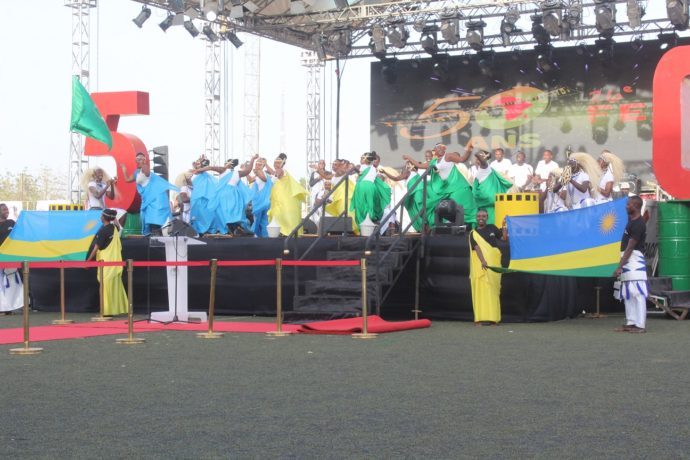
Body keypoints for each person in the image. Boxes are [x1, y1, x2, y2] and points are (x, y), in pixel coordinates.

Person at [404, 143, 476, 227]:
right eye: (439, 148)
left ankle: (472, 225)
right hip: (445, 188)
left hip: (457, 186)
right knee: (431, 203)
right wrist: (408, 157)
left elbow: (462, 159)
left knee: (464, 208)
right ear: (435, 151)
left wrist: (469, 150)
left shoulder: (448, 156)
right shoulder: (433, 161)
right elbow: (419, 165)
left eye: (443, 148)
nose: (441, 149)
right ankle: (441, 223)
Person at [121, 152, 178, 235]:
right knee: (149, 221)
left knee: (154, 221)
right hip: (147, 199)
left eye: (140, 159)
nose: (138, 161)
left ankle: (158, 237)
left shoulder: (144, 167)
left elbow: (147, 173)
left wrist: (144, 164)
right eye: (137, 159)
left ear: (144, 160)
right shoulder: (136, 172)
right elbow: (127, 179)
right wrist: (123, 168)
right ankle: (154, 237)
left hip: (155, 199)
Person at [613, 196, 648, 333]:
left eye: (629, 204)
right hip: (627, 260)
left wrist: (620, 266)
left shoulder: (638, 224)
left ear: (636, 206)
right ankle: (631, 322)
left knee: (637, 292)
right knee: (628, 292)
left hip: (634, 260)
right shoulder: (633, 221)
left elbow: (630, 247)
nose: (626, 206)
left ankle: (640, 325)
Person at [198, 156, 256, 236]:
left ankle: (227, 229)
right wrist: (253, 159)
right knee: (234, 213)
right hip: (234, 195)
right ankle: (236, 228)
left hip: (223, 195)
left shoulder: (223, 169)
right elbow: (248, 170)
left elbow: (210, 167)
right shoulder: (237, 173)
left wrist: (198, 170)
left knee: (222, 212)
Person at [86, 209, 128, 316]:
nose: (100, 217)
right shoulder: (114, 228)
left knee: (105, 287)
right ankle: (114, 310)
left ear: (104, 218)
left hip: (106, 263)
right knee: (114, 287)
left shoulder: (103, 231)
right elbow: (118, 224)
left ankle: (105, 311)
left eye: (101, 215)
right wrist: (114, 217)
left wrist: (88, 260)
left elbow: (96, 248)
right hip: (115, 263)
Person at [469, 208, 506, 325]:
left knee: (493, 290)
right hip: (481, 264)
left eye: (483, 216)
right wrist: (483, 261)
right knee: (480, 290)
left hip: (494, 262)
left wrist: (504, 226)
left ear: (487, 217)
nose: (481, 218)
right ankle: (479, 319)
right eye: (479, 216)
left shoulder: (492, 228)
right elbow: (477, 248)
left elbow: (504, 238)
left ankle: (493, 318)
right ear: (476, 218)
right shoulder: (473, 233)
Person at [268, 154, 308, 236]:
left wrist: (266, 165)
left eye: (278, 162)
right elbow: (274, 174)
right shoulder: (276, 173)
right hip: (278, 200)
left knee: (284, 217)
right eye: (275, 162)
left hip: (284, 201)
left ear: (282, 163)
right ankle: (282, 233)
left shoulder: (282, 171)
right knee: (278, 216)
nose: (276, 164)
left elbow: (277, 174)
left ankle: (287, 233)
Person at [471, 149, 513, 225]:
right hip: (482, 207)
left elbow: (480, 157)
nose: (477, 160)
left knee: (491, 227)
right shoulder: (479, 170)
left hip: (489, 208)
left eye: (479, 158)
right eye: (477, 159)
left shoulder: (485, 169)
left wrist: (478, 153)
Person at [350, 151, 391, 226]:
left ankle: (360, 224)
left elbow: (353, 172)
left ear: (365, 159)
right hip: (371, 187)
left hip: (361, 187)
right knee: (370, 205)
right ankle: (371, 221)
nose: (360, 159)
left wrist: (355, 169)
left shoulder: (359, 166)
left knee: (360, 205)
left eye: (361, 158)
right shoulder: (373, 168)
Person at [381, 161, 425, 232]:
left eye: (408, 164)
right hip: (415, 194)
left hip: (416, 194)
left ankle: (423, 227)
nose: (406, 166)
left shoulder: (409, 173)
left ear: (412, 166)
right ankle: (423, 227)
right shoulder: (416, 174)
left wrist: (385, 172)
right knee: (418, 211)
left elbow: (395, 178)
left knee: (417, 211)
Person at [0, 203, 22, 315]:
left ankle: (12, 306)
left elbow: (21, 234)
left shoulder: (11, 223)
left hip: (11, 258)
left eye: (7, 209)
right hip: (1, 258)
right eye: (4, 209)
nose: (6, 211)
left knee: (12, 282)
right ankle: (3, 307)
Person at [250, 157, 273, 237]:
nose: (257, 165)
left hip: (262, 202)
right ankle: (263, 236)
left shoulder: (263, 173)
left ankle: (260, 236)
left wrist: (257, 171)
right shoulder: (258, 175)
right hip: (260, 201)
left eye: (259, 164)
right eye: (256, 164)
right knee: (262, 220)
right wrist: (245, 170)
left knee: (260, 219)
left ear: (263, 166)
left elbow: (264, 179)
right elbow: (250, 180)